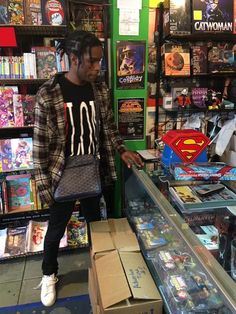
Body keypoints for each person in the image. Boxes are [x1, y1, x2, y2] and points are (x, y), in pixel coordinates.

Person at [33, 30, 143, 307]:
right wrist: (48, 190)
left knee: (97, 225)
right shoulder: (48, 95)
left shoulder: (100, 90)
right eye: (91, 62)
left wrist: (122, 150)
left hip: (95, 170)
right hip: (63, 174)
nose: (97, 67)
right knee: (56, 229)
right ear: (73, 58)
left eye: (99, 62)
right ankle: (49, 274)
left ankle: (102, 270)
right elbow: (39, 149)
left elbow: (107, 128)